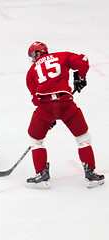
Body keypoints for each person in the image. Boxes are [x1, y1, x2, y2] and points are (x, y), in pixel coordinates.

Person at [26, 41, 104, 189]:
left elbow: (35, 98)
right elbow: (84, 60)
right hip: (66, 103)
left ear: (37, 53)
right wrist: (79, 77)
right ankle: (91, 174)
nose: (32, 59)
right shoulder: (62, 56)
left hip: (45, 106)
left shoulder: (31, 71)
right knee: (83, 138)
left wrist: (48, 118)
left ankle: (41, 175)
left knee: (35, 139)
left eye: (32, 55)